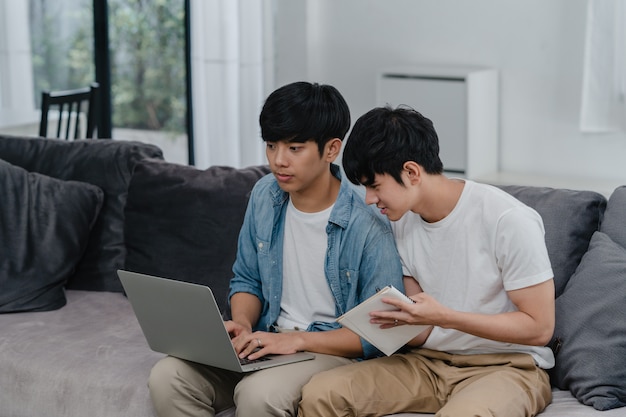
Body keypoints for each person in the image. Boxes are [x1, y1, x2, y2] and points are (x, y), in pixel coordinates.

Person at [147, 82, 404, 417]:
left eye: (295, 148)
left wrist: (297, 341)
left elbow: (379, 332)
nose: (279, 161)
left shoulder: (367, 222)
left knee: (258, 394)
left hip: (328, 349)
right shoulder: (264, 195)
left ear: (332, 149)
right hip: (267, 339)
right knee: (168, 376)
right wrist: (241, 323)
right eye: (271, 146)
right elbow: (247, 280)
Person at [298, 106, 556, 417]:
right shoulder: (398, 222)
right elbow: (419, 327)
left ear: (411, 172)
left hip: (507, 366)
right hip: (425, 363)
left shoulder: (507, 220)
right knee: (321, 394)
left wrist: (445, 317)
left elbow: (539, 328)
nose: (368, 198)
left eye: (374, 185)